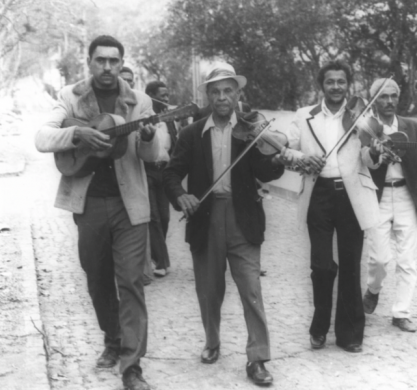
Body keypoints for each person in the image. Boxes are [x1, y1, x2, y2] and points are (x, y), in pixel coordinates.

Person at [35, 35, 158, 390]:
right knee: (97, 278)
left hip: (129, 205)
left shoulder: (140, 101)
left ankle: (132, 367)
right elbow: (43, 138)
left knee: (132, 281)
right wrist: (77, 135)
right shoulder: (69, 96)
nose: (107, 67)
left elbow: (153, 157)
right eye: (100, 60)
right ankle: (112, 340)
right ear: (89, 62)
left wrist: (148, 137)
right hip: (88, 204)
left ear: (122, 63)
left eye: (114, 61)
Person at [162, 63, 284, 386]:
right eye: (215, 91)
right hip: (205, 216)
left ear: (238, 93)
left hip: (243, 218)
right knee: (209, 290)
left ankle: (257, 358)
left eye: (228, 90)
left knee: (251, 290)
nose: (222, 97)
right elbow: (171, 174)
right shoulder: (191, 134)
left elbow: (265, 170)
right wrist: (182, 197)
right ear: (207, 95)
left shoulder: (249, 130)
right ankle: (212, 341)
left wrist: (278, 159)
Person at [279, 61, 380, 353]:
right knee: (321, 265)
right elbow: (287, 148)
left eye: (341, 82)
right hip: (319, 194)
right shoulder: (304, 116)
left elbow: (370, 160)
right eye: (330, 82)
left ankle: (349, 334)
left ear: (348, 85)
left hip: (351, 196)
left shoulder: (361, 114)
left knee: (350, 265)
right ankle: (319, 326)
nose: (336, 87)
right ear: (321, 86)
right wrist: (300, 159)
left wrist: (375, 151)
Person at [362, 79, 417, 332]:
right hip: (378, 197)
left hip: (406, 197)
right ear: (374, 100)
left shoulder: (411, 126)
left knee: (407, 259)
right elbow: (362, 160)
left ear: (398, 99)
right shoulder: (366, 128)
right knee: (379, 259)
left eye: (393, 96)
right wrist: (377, 153)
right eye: (383, 97)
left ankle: (401, 313)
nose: (388, 102)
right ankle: (373, 288)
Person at [144, 81, 177, 277]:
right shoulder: (143, 117)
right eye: (162, 95)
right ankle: (163, 262)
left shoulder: (171, 118)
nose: (166, 99)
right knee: (154, 217)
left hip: (164, 172)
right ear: (150, 96)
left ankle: (156, 256)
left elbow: (176, 145)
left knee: (164, 217)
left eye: (167, 95)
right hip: (147, 170)